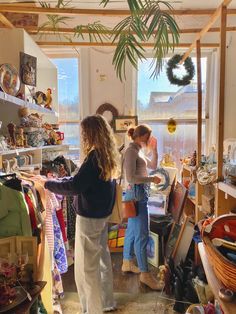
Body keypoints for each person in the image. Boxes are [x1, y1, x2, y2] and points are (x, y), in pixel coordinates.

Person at [41, 114, 120, 314]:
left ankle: (92, 310)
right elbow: (82, 180)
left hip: (90, 219)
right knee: (101, 262)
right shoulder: (105, 155)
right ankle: (106, 302)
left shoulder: (94, 158)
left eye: (84, 132)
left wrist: (48, 184)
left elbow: (76, 186)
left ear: (91, 133)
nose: (83, 136)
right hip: (101, 217)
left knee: (87, 269)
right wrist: (58, 180)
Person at [121, 124, 163, 290]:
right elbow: (131, 178)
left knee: (132, 232)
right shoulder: (131, 151)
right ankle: (145, 274)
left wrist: (155, 150)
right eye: (148, 137)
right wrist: (152, 180)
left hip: (138, 195)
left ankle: (126, 262)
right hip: (137, 196)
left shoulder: (138, 150)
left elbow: (152, 166)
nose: (149, 140)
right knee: (142, 235)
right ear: (142, 136)